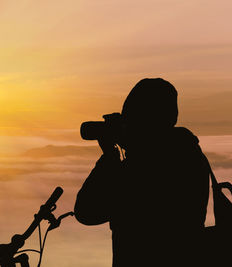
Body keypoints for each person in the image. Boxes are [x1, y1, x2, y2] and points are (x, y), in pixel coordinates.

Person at [74, 78, 209, 267]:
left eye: (130, 120)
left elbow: (87, 211)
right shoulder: (190, 155)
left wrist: (110, 157)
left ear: (145, 122)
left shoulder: (143, 168)